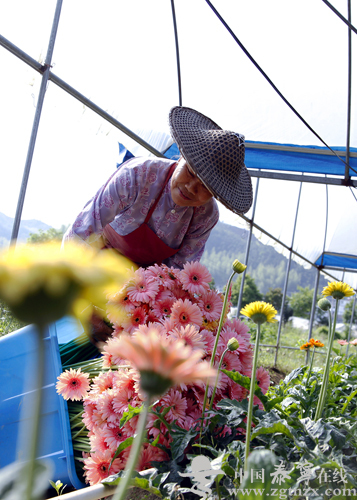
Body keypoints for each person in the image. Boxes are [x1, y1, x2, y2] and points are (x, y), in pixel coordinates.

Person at [63, 106, 253, 270]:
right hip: (97, 263)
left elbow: (181, 269)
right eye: (190, 172)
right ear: (180, 158)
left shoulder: (206, 216)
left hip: (146, 287)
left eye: (206, 187)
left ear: (215, 194)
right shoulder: (137, 175)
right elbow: (83, 230)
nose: (190, 187)